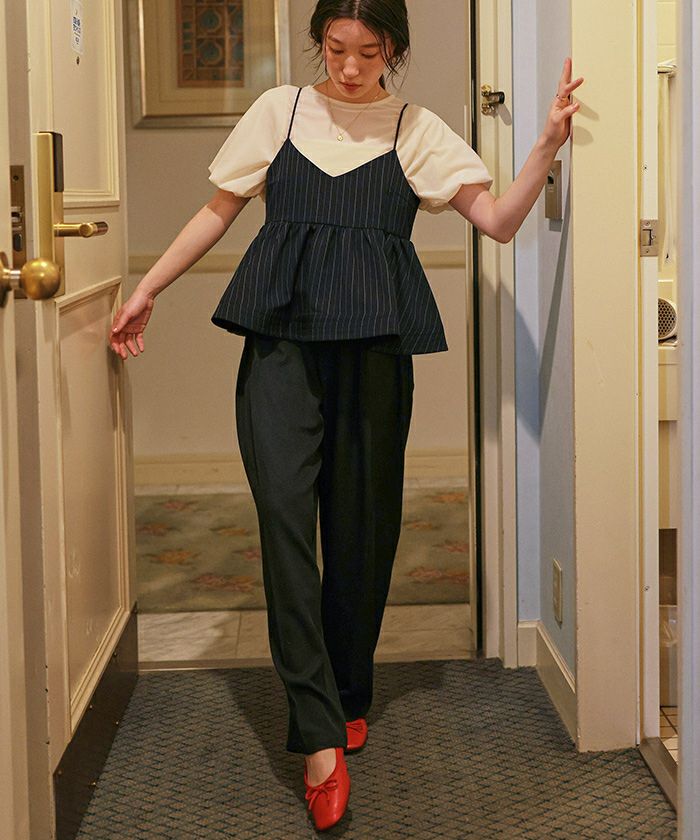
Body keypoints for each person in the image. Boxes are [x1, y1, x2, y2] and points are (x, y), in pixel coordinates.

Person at [109, 0, 583, 831]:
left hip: (373, 352)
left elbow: (499, 224)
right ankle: (318, 734)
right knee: (285, 522)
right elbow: (218, 209)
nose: (351, 67)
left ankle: (348, 689)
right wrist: (148, 287)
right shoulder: (279, 112)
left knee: (363, 530)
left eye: (369, 52)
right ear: (318, 42)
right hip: (281, 349)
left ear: (393, 49)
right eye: (336, 49)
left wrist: (545, 142)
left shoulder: (416, 130)